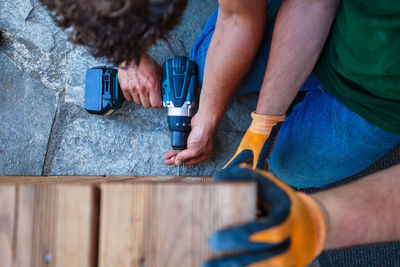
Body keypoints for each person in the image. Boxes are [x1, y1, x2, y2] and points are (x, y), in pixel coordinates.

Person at [40, 0, 400, 265]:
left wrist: (321, 223)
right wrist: (261, 122)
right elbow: (312, 4)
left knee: (291, 168)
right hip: (334, 23)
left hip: (381, 101)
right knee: (203, 63)